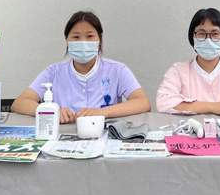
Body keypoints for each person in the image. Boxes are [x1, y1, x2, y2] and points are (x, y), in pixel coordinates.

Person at [12, 11, 151, 123]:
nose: (83, 42)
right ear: (67, 41)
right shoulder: (53, 72)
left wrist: (101, 112)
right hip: (63, 138)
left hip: (104, 137)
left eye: (90, 36)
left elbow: (143, 103)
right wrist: (52, 112)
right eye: (76, 37)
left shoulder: (117, 70)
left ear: (100, 40)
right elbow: (19, 103)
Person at [156, 8, 220, 116]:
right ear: (193, 37)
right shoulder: (178, 71)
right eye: (201, 33)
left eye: (215, 33)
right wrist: (214, 107)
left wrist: (189, 106)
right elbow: (163, 102)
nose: (208, 40)